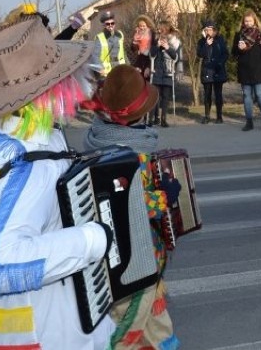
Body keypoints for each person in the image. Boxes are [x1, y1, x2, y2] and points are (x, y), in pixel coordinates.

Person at [0, 14, 115, 349]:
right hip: (41, 328)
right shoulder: (30, 163)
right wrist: (92, 239)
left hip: (23, 319)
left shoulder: (6, 137)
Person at [82, 64, 180, 350]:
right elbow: (130, 204)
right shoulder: (129, 153)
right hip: (136, 258)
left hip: (121, 257)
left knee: (154, 322)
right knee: (129, 328)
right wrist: (166, 195)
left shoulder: (96, 137)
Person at [0, 5, 84, 164]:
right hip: (13, 91)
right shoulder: (17, 42)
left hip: (16, 95)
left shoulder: (26, 40)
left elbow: (53, 46)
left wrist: (72, 29)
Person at [231, 9, 261, 131]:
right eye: (245, 21)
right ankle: (249, 122)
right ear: (243, 22)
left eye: (250, 21)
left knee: (259, 95)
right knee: (247, 96)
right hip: (244, 69)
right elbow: (233, 52)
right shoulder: (239, 35)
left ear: (254, 21)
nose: (247, 23)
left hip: (258, 69)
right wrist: (239, 48)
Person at [150, 20, 181, 128]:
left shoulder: (174, 42)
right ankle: (155, 118)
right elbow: (152, 54)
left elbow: (175, 57)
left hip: (168, 72)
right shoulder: (155, 40)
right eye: (159, 29)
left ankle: (164, 119)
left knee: (166, 97)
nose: (159, 30)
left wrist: (168, 48)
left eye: (161, 29)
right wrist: (157, 46)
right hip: (157, 71)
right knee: (155, 96)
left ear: (166, 30)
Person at [197, 19, 228, 124]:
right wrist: (206, 44)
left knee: (218, 94)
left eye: (210, 30)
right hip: (207, 71)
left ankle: (219, 116)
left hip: (218, 70)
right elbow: (200, 54)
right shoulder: (202, 42)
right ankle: (207, 116)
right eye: (206, 30)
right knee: (207, 95)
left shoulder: (220, 40)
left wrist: (220, 63)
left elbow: (225, 54)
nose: (208, 32)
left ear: (214, 30)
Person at [93, 10, 126, 78]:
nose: (110, 25)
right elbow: (95, 56)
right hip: (106, 72)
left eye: (112, 23)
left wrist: (129, 66)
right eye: (108, 24)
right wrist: (100, 69)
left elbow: (123, 53)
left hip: (120, 68)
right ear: (104, 25)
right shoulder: (99, 37)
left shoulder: (120, 35)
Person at [131, 14, 155, 83]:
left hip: (149, 59)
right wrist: (135, 41)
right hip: (139, 59)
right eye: (140, 26)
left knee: (147, 80)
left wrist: (149, 66)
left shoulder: (151, 34)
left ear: (147, 25)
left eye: (144, 26)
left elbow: (154, 48)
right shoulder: (137, 34)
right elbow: (133, 49)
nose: (142, 28)